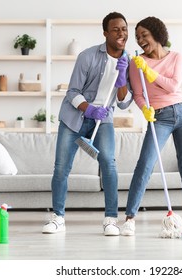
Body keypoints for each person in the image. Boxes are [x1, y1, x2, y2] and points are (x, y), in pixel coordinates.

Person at [43, 12, 133, 236]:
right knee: (62, 167)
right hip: (75, 118)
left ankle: (111, 219)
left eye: (124, 29)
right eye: (115, 29)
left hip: (104, 119)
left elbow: (123, 102)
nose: (121, 33)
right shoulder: (87, 56)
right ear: (105, 33)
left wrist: (123, 79)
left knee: (109, 165)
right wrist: (90, 108)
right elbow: (72, 92)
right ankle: (58, 218)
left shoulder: (130, 62)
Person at [120, 16, 182, 236]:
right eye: (137, 37)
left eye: (145, 35)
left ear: (157, 34)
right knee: (145, 165)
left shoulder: (176, 57)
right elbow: (138, 94)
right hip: (158, 117)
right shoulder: (136, 62)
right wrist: (144, 109)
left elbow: (173, 86)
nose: (140, 40)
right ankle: (129, 219)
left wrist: (150, 71)